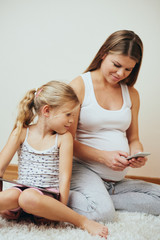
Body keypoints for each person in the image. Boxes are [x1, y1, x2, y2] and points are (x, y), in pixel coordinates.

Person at [68, 30, 160, 222]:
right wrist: (103, 157)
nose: (121, 74)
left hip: (114, 180)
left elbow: (134, 139)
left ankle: (102, 197)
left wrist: (137, 155)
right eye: (117, 65)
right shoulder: (79, 86)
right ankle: (59, 197)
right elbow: (66, 141)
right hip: (82, 169)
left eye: (128, 69)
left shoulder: (131, 93)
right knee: (103, 215)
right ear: (104, 54)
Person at [0, 80, 108, 238]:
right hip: (20, 192)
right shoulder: (21, 132)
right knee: (13, 196)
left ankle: (82, 221)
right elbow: (1, 167)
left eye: (74, 115)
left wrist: (60, 209)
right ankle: (17, 210)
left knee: (27, 197)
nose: (72, 120)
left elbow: (65, 177)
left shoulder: (64, 138)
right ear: (46, 111)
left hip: (45, 197)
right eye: (68, 114)